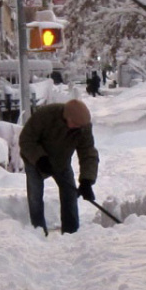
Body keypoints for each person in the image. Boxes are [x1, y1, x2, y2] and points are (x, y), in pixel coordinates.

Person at [19, 98, 98, 234]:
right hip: (35, 162)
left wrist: (87, 181)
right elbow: (26, 139)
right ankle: (38, 231)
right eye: (74, 124)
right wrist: (40, 159)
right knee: (35, 197)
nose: (76, 127)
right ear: (66, 117)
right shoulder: (46, 115)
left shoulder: (82, 127)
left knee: (70, 194)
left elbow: (88, 153)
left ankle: (71, 231)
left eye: (79, 126)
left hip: (61, 162)